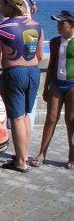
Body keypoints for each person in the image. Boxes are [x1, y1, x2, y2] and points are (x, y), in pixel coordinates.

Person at [0, 0, 43, 173]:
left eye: (2, 2)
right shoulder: (36, 25)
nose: (0, 6)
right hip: (33, 72)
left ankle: (21, 161)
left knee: (17, 117)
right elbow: (39, 55)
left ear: (9, 5)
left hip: (14, 73)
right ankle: (23, 154)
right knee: (26, 115)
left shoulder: (1, 28)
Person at [30, 10, 73, 169]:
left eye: (62, 23)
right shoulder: (55, 42)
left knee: (71, 119)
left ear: (72, 25)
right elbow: (51, 65)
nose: (58, 26)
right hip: (56, 83)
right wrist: (46, 87)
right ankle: (42, 153)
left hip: (72, 85)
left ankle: (72, 156)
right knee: (51, 118)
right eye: (57, 23)